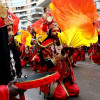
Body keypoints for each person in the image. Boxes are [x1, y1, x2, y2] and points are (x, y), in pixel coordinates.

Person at [35, 25, 79, 100]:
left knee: (76, 91)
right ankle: (53, 90)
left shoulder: (64, 42)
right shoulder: (46, 44)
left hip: (64, 76)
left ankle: (63, 87)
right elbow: (49, 64)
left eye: (58, 31)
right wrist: (61, 55)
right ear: (50, 32)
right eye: (54, 31)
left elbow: (69, 61)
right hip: (54, 77)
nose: (56, 33)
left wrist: (70, 54)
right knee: (62, 96)